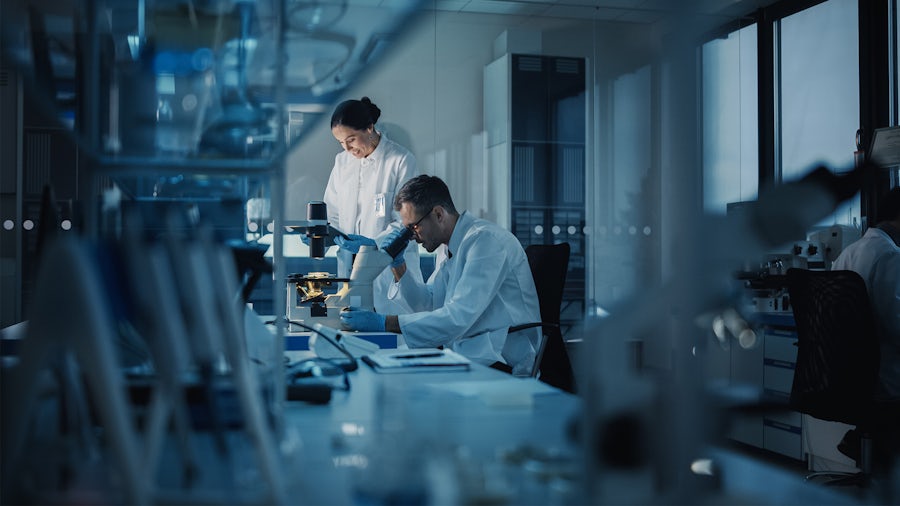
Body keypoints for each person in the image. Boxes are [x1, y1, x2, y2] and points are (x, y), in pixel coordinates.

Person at [339, 175, 542, 376]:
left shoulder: (486, 242)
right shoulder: (448, 248)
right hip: (467, 353)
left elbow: (457, 318)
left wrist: (383, 323)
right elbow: (428, 304)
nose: (412, 237)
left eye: (414, 227)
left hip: (500, 359)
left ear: (438, 214)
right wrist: (398, 265)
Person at [321, 96, 422, 314]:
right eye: (340, 143)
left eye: (351, 140)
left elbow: (406, 222)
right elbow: (333, 213)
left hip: (389, 272)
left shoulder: (401, 160)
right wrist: (322, 232)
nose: (347, 149)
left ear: (369, 128)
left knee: (394, 336)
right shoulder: (342, 163)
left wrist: (373, 244)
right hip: (350, 270)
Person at [831, 186, 900, 399]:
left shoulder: (847, 253)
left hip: (847, 377)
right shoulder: (890, 255)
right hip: (885, 382)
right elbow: (897, 327)